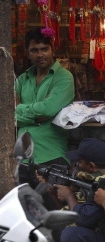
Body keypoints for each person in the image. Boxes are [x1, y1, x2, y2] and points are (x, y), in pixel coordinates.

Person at [16, 27, 75, 169]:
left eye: (44, 49)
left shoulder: (63, 77)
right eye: (34, 50)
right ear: (27, 53)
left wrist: (19, 109)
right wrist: (37, 116)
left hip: (52, 155)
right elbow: (6, 113)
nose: (40, 54)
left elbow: (47, 110)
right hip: (23, 158)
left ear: (52, 49)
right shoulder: (22, 79)